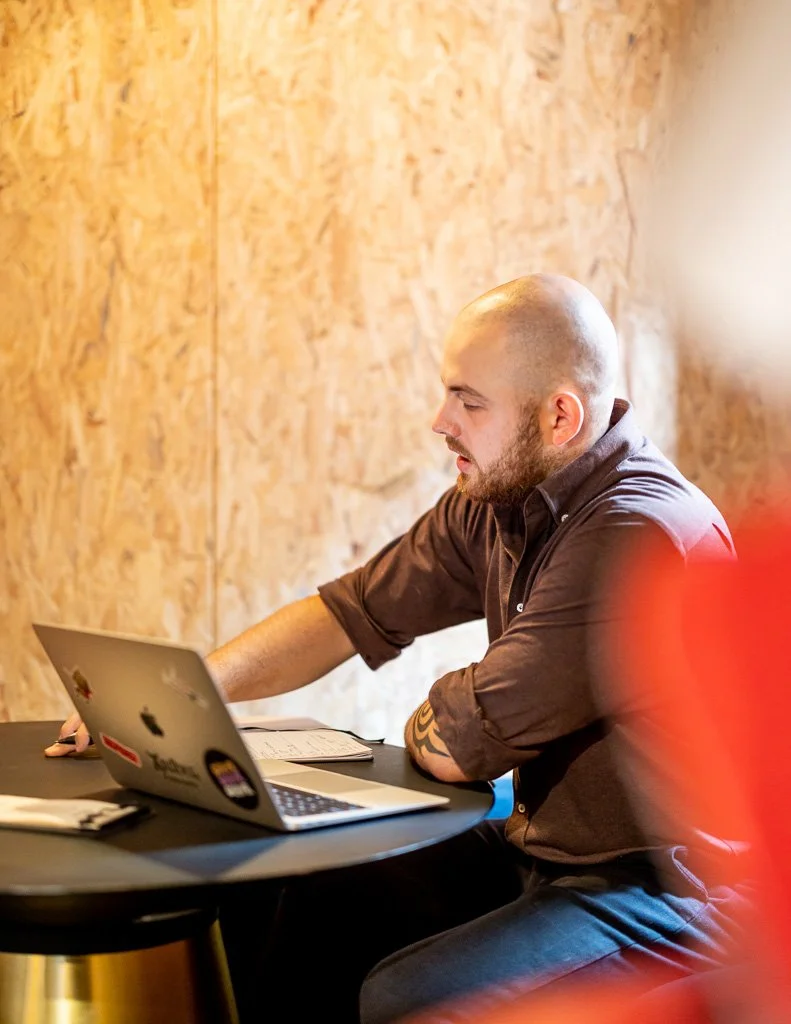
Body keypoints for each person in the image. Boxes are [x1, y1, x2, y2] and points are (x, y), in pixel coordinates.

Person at [45, 274, 749, 1024]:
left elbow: (456, 747)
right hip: (542, 852)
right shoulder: (497, 500)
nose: (439, 420)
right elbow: (345, 613)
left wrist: (450, 713)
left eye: (467, 401)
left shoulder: (636, 536)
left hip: (662, 893)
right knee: (278, 894)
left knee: (405, 999)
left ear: (558, 416)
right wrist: (183, 695)